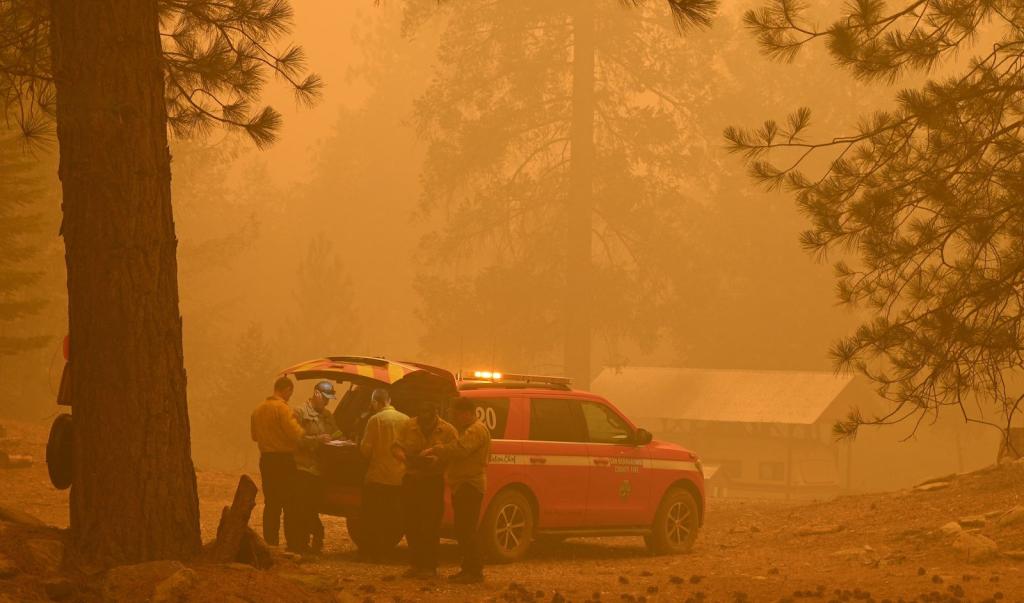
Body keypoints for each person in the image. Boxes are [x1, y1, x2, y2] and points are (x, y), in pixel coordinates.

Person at [423, 397, 492, 583]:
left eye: (457, 414)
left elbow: (460, 450)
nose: (455, 418)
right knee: (463, 529)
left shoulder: (475, 431)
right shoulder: (468, 430)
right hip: (462, 485)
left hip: (469, 485)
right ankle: (469, 568)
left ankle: (474, 570)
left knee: (467, 529)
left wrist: (438, 449)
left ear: (467, 413)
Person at [391, 401, 456, 578]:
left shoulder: (448, 430)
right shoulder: (409, 425)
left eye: (428, 413)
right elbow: (395, 447)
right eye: (421, 413)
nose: (424, 418)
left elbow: (454, 453)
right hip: (411, 480)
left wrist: (438, 460)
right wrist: (405, 458)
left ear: (435, 413)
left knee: (431, 525)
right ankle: (415, 564)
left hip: (432, 482)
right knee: (411, 523)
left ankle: (429, 566)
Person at [250, 376, 304, 551]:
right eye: (290, 393)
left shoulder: (257, 410)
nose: (290, 396)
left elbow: (254, 436)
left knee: (271, 503)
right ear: (286, 389)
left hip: (266, 460)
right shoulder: (283, 409)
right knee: (291, 503)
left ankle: (271, 543)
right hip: (284, 461)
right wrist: (299, 424)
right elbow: (296, 434)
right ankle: (293, 543)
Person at [358, 388, 408, 557]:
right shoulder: (406, 419)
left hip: (378, 478)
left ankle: (374, 551)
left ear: (375, 402)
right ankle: (388, 550)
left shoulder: (375, 420)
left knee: (374, 517)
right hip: (400, 479)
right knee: (394, 517)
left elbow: (366, 450)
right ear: (390, 400)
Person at [293, 380, 340, 554]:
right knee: (302, 507)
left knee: (313, 505)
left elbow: (336, 432)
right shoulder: (299, 412)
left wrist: (342, 440)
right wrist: (317, 441)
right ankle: (301, 544)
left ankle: (315, 538)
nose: (327, 402)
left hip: (320, 469)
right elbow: (295, 440)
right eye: (325, 398)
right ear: (316, 394)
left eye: (329, 399)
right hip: (303, 467)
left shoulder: (328, 415)